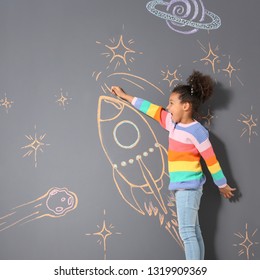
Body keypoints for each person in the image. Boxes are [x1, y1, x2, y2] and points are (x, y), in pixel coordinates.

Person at [110, 70, 236, 260]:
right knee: (194, 232)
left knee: (187, 233)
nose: (167, 107)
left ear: (185, 106)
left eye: (171, 103)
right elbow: (151, 109)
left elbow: (211, 160)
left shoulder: (197, 132)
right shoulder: (172, 124)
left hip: (189, 189)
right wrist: (124, 96)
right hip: (183, 189)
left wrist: (222, 184)